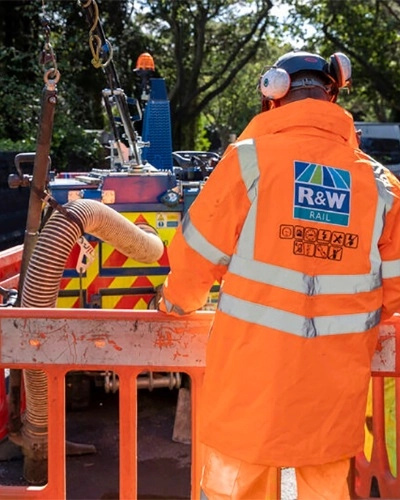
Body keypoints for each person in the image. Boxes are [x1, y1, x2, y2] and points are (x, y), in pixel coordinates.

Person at [158, 50, 400, 499]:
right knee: (326, 484)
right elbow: (394, 287)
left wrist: (175, 302)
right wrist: (349, 320)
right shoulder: (380, 185)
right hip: (334, 381)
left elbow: (196, 252)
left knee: (236, 485)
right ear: (333, 94)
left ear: (272, 97)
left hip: (250, 377)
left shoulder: (249, 160)